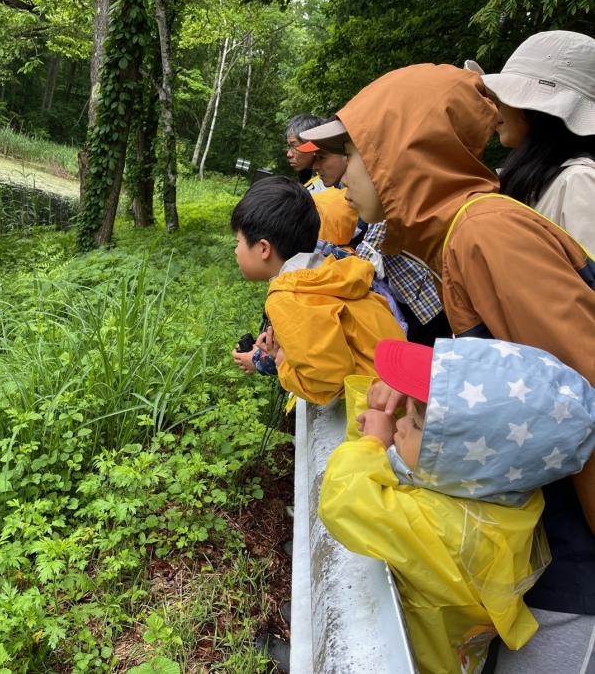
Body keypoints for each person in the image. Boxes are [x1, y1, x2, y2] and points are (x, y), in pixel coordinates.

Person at [300, 62, 595, 671]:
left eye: (349, 153)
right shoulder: (458, 236)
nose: (339, 177)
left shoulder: (487, 234)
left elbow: (584, 391)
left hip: (575, 568)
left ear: (399, 153)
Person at [321, 336, 595, 673]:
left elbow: (343, 499)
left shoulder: (446, 529)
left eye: (417, 422)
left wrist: (372, 442)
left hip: (427, 660)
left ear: (460, 461)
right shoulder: (503, 489)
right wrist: (395, 407)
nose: (402, 423)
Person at [230, 176, 404, 404]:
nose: (235, 251)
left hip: (377, 404)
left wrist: (282, 361)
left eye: (238, 242)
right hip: (400, 385)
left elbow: (327, 381)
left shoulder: (289, 296)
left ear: (264, 248)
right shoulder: (328, 270)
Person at [299, 134, 450, 347]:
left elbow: (365, 262)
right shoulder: (342, 196)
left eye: (322, 157)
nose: (315, 167)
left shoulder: (380, 198)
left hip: (425, 310)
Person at [466, 30, 595, 252]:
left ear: (539, 110)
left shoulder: (578, 182)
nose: (496, 110)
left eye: (504, 98)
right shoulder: (542, 181)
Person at [284, 114, 327, 193]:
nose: (289, 154)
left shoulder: (334, 181)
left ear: (314, 143)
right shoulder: (306, 175)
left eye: (294, 145)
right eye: (289, 146)